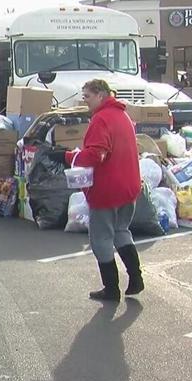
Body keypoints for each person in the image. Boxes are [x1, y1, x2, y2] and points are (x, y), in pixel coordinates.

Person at [67, 79, 143, 301]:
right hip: (129, 186)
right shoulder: (122, 116)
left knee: (101, 237)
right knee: (121, 230)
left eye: (87, 96)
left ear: (100, 95)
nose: (85, 101)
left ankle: (111, 288)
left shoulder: (101, 119)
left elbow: (96, 155)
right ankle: (136, 278)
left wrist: (70, 156)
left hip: (107, 189)